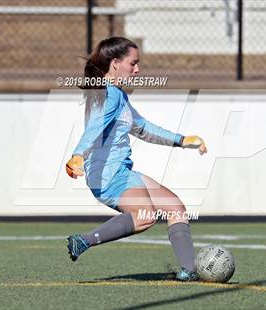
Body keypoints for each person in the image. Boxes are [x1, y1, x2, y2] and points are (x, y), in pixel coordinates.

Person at [65, 37, 207, 281]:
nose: (138, 69)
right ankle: (84, 240)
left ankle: (189, 271)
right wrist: (78, 154)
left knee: (175, 208)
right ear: (115, 63)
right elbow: (95, 128)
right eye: (133, 63)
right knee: (146, 216)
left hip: (121, 172)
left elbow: (142, 128)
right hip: (108, 175)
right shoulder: (109, 94)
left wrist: (181, 140)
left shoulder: (117, 95)